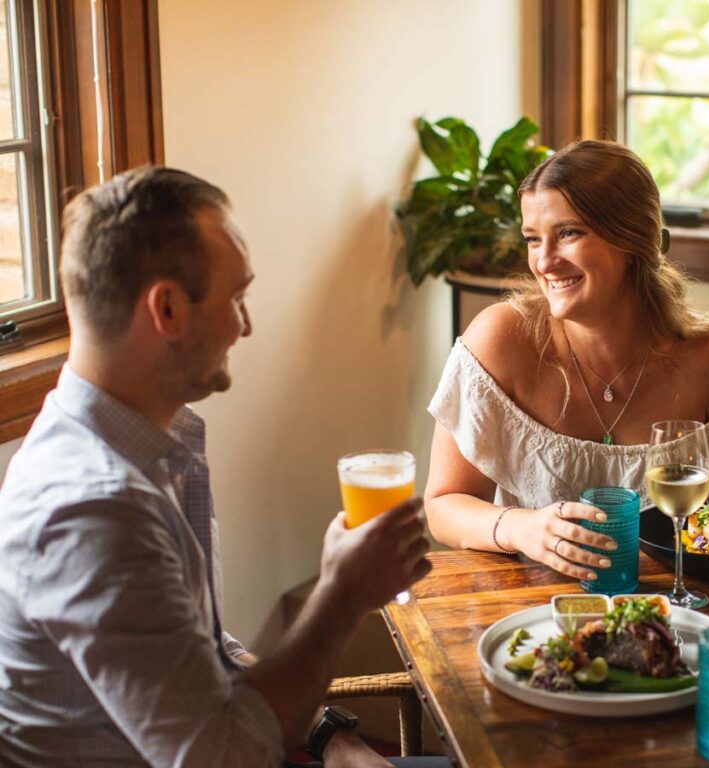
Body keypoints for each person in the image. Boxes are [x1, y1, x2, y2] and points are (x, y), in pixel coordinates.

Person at [0, 167, 443, 768]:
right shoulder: (95, 506)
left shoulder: (146, 447)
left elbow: (202, 654)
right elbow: (218, 756)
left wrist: (330, 737)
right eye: (237, 297)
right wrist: (341, 596)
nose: (246, 324)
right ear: (168, 309)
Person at [424, 140, 709, 582]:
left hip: (674, 610)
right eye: (533, 239)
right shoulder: (499, 340)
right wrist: (521, 527)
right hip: (526, 611)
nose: (545, 261)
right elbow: (443, 505)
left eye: (568, 233)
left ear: (633, 239)